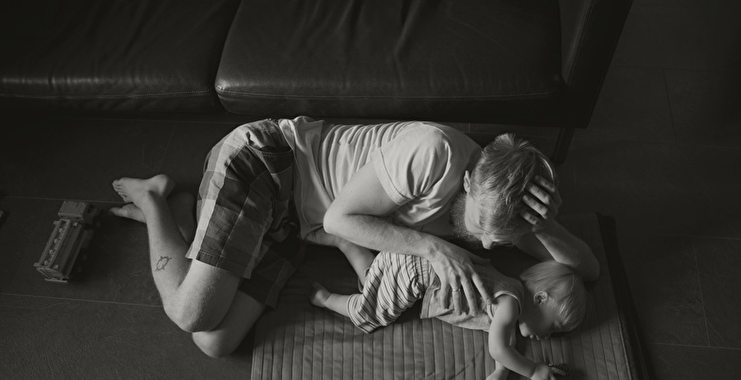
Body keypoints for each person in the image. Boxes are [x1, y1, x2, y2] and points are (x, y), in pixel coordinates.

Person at [109, 117, 598, 358]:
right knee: (192, 314)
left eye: (500, 240)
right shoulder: (435, 151)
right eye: (480, 231)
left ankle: (185, 215)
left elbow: (587, 270)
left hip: (295, 227)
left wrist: (541, 223)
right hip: (268, 165)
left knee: (215, 342)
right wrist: (436, 247)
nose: (487, 247)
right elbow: (340, 221)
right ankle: (152, 200)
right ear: (469, 181)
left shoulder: (504, 212)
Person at [309, 250, 588, 380]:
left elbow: (504, 340)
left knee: (373, 280)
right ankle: (326, 299)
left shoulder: (509, 300)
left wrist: (502, 372)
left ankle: (348, 245)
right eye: (554, 327)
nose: (548, 336)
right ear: (540, 298)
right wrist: (533, 369)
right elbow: (498, 348)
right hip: (418, 273)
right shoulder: (510, 304)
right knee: (372, 314)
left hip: (413, 259)